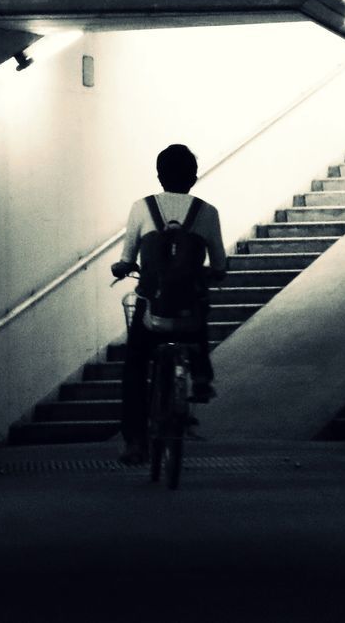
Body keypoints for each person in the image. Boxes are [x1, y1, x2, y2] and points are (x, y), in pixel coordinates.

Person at [111, 143, 226, 465]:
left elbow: (126, 257)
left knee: (134, 366)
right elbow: (219, 264)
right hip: (188, 317)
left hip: (151, 312)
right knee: (199, 304)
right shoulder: (207, 212)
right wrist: (213, 273)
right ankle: (201, 376)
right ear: (194, 177)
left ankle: (135, 441)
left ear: (159, 175)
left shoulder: (141, 208)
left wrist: (123, 268)